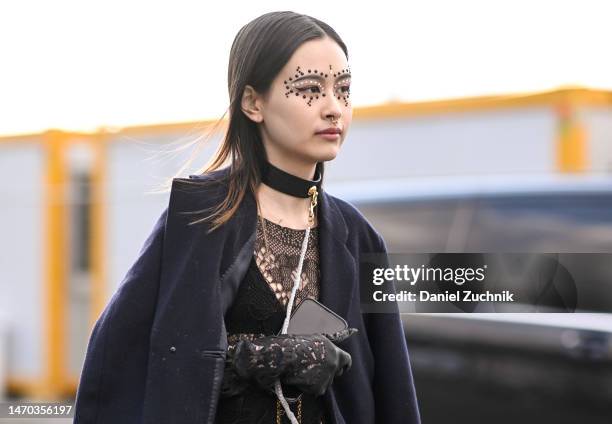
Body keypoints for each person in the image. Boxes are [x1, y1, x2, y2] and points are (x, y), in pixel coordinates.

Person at [73, 10, 421, 424]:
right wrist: (250, 357)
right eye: (311, 88)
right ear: (254, 102)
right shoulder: (201, 216)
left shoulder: (360, 238)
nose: (334, 108)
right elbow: (123, 357)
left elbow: (393, 390)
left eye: (343, 89)